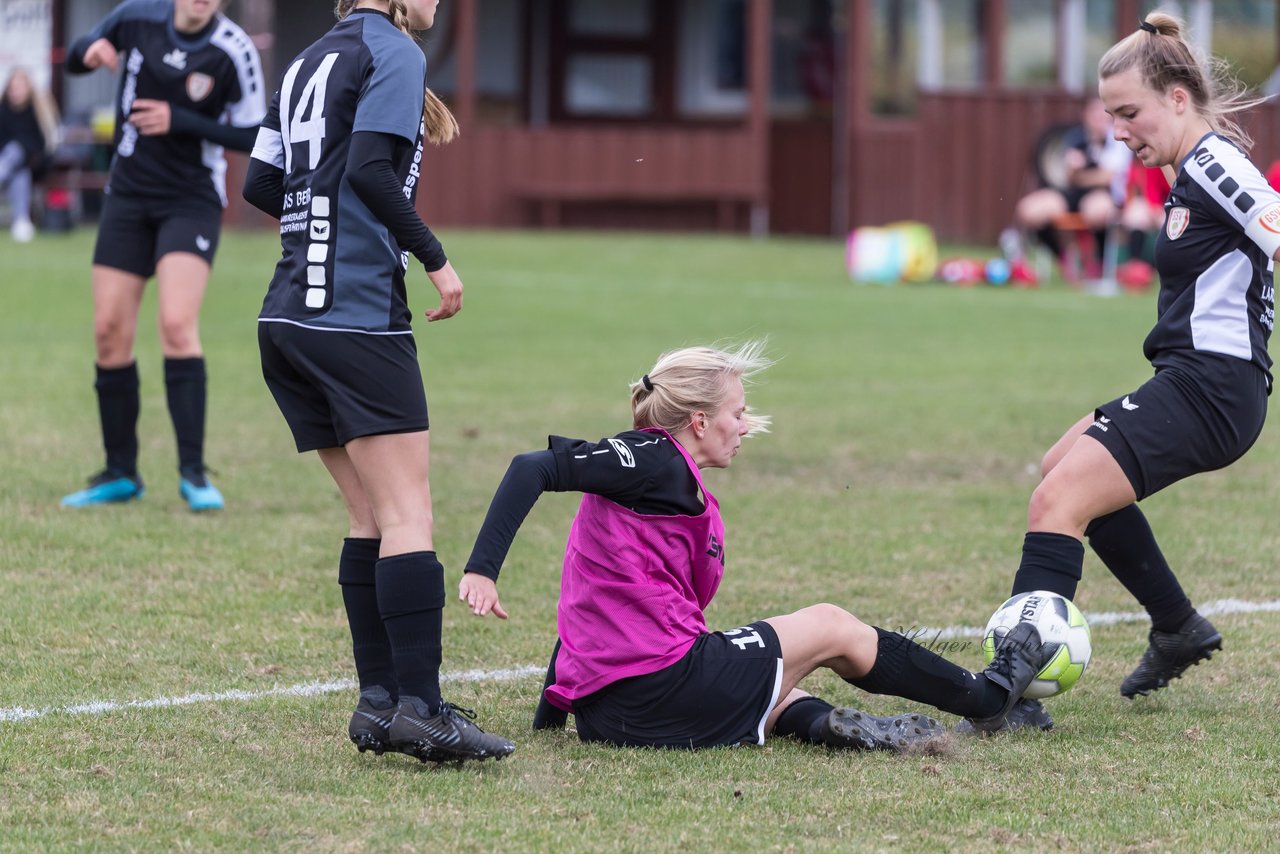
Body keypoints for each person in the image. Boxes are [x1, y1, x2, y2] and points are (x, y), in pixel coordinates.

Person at [458, 342, 1052, 751]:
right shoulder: (653, 458)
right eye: (736, 414)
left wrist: (550, 719)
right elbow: (529, 466)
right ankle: (988, 696)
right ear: (696, 421)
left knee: (775, 679)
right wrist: (483, 570)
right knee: (829, 626)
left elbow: (587, 609)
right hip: (659, 690)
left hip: (609, 717)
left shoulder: (654, 480)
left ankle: (830, 728)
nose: (744, 426)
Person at [983, 13, 1277, 732]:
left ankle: (1008, 699)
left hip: (1211, 388)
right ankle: (1177, 626)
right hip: (1195, 380)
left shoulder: (1211, 164)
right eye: (1110, 115)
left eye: (1128, 113)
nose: (1117, 131)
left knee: (1056, 503)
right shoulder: (1191, 164)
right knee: (1060, 468)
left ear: (1178, 98)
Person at [242, 0, 514, 764]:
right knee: (408, 513)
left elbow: (264, 184)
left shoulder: (305, 58)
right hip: (355, 319)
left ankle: (379, 705)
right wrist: (434, 255)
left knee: (371, 514)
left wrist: (318, 229)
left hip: (288, 319)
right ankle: (422, 710)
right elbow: (366, 168)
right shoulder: (391, 49)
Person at [60, 0, 267, 511]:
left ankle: (193, 474)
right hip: (128, 194)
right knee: (109, 331)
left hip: (190, 200)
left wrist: (181, 119)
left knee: (177, 324)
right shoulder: (137, 17)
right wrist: (91, 49)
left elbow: (255, 134)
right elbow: (76, 58)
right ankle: (120, 471)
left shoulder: (233, 50)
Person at [1011, 97, 1132, 271]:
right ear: (1085, 115)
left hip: (1100, 195)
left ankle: (1093, 259)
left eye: (1103, 114)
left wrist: (1079, 177)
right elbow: (1065, 178)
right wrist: (1073, 172)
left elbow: (1107, 178)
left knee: (1097, 211)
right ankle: (1061, 255)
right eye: (1094, 113)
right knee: (1028, 209)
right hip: (1068, 195)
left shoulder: (1117, 140)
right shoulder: (1074, 138)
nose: (1099, 118)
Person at [0, 67, 59, 242]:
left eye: (20, 86)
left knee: (16, 151)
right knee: (19, 172)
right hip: (15, 167)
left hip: (34, 163)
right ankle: (21, 221)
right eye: (13, 87)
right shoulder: (2, 111)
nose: (16, 91)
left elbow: (44, 143)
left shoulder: (38, 111)